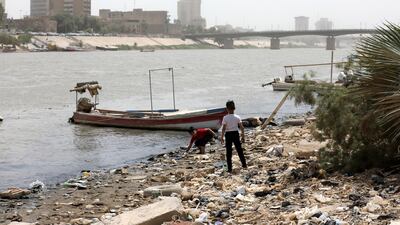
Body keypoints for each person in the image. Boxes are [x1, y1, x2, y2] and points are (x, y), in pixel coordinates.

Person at [220, 100, 247, 173]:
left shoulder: (225, 117)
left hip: (228, 134)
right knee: (239, 150)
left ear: (227, 108)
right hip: (235, 133)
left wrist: (222, 137)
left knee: (228, 152)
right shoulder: (237, 117)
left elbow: (223, 128)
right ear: (234, 108)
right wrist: (243, 136)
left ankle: (229, 169)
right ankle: (244, 165)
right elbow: (242, 127)